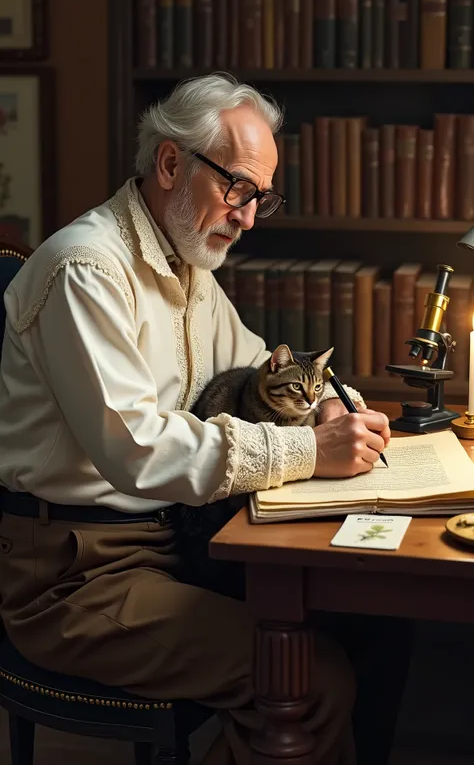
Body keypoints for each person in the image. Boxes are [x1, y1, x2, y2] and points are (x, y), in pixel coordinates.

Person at [0, 73, 393, 764]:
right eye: (237, 187)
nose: (246, 215)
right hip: (72, 578)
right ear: (172, 163)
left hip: (168, 542)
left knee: (372, 619)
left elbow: (255, 365)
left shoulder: (186, 266)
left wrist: (335, 403)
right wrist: (310, 451)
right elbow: (139, 450)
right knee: (309, 677)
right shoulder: (86, 268)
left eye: (260, 197)